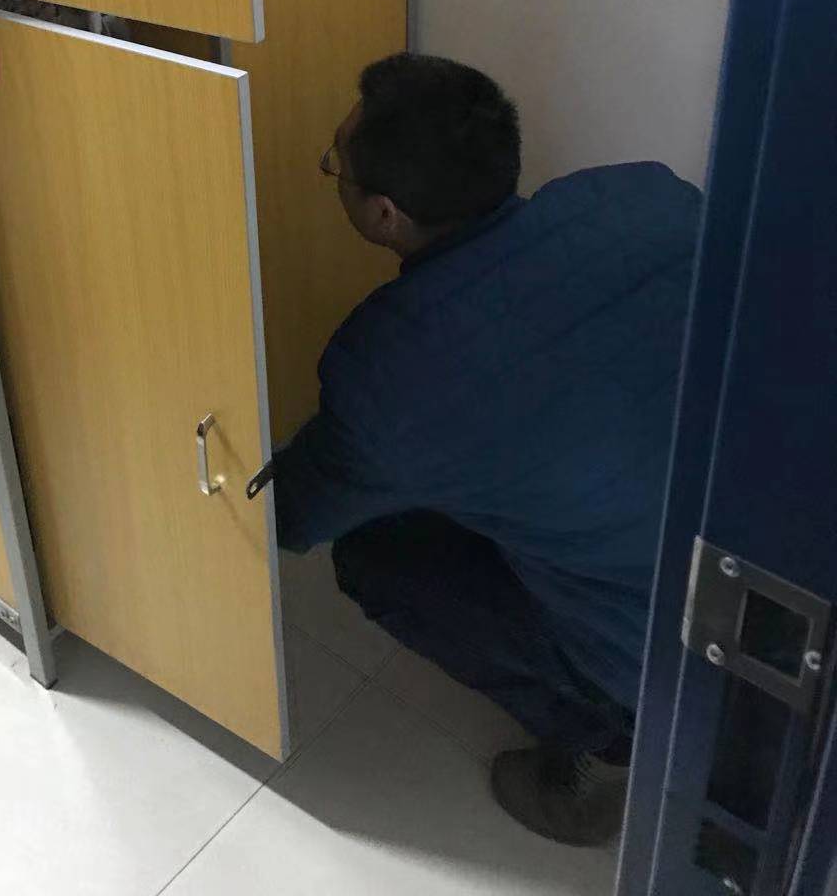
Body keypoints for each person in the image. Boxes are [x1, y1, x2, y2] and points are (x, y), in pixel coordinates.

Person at [272, 53, 701, 847]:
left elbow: (291, 517)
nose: (330, 171)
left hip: (669, 652)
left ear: (385, 215)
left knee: (373, 554)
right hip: (772, 553)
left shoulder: (391, 366)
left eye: (336, 165)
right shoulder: (644, 195)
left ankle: (613, 743)